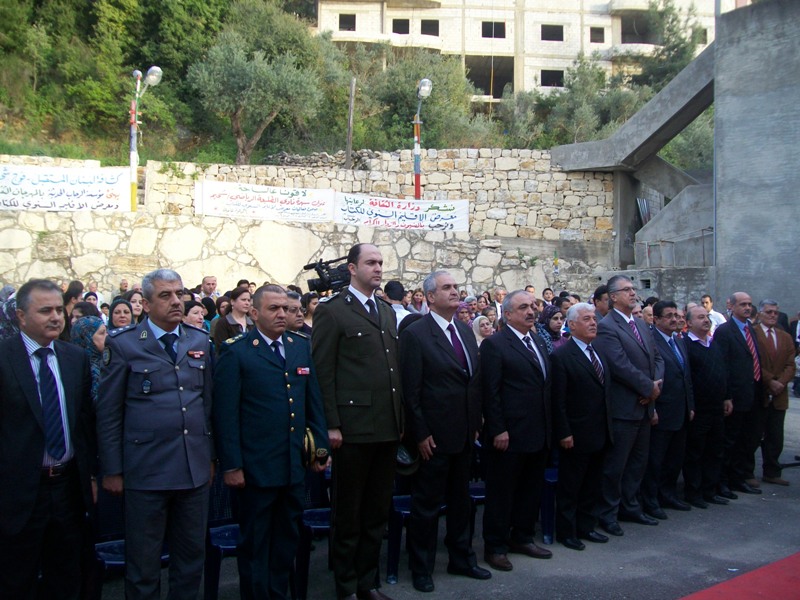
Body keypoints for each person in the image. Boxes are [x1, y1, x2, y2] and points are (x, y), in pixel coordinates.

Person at [97, 269, 215, 599]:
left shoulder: (199, 340)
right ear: (146, 305)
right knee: (143, 566)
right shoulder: (124, 344)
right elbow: (109, 412)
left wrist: (210, 456)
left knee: (190, 562)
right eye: (166, 295)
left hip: (192, 469)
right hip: (146, 471)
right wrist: (112, 469)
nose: (176, 301)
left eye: (179, 294)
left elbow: (207, 404)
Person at [213, 285, 329, 599]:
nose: (282, 314)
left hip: (292, 465)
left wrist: (319, 448)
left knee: (285, 541)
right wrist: (232, 465)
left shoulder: (298, 345)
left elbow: (312, 402)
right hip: (256, 469)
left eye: (286, 309)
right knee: (255, 545)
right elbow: (225, 414)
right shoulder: (237, 351)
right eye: (273, 308)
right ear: (254, 313)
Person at [311, 244, 403, 600]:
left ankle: (369, 582)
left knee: (376, 512)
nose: (378, 268)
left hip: (387, 427)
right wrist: (331, 424)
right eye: (370, 263)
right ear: (352, 268)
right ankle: (346, 586)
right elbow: (323, 371)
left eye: (380, 263)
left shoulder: (386, 311)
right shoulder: (333, 311)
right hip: (352, 428)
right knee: (348, 514)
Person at [0, 279, 95, 599]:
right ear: (20, 316)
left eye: (58, 310)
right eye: (45, 311)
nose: (55, 317)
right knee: (16, 580)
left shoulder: (75, 358)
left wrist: (91, 476)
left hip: (67, 489)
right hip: (18, 494)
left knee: (66, 578)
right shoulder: (4, 358)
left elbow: (84, 424)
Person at [399, 271, 490, 593]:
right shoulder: (416, 333)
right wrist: (420, 433)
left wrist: (476, 423)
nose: (454, 292)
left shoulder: (464, 330)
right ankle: (421, 567)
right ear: (430, 297)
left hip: (464, 434)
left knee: (461, 502)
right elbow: (410, 391)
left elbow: (472, 382)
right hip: (433, 438)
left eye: (456, 287)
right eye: (447, 287)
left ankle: (461, 558)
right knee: (426, 506)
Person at [480, 290, 552, 572]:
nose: (531, 311)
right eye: (523, 307)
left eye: (532, 306)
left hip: (538, 430)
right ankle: (495, 546)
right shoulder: (495, 345)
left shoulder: (537, 341)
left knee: (530, 490)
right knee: (502, 493)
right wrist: (498, 429)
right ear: (507, 314)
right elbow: (490, 392)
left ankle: (522, 537)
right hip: (508, 434)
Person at [593, 276, 664, 537]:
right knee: (616, 465)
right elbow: (619, 364)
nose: (633, 293)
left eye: (634, 289)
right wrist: (647, 388)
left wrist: (655, 386)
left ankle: (630, 506)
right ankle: (608, 513)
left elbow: (657, 358)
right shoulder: (607, 327)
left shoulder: (640, 324)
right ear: (613, 297)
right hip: (624, 407)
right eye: (627, 290)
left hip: (645, 404)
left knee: (638, 462)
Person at [551, 303, 613, 551]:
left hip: (600, 430)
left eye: (594, 319)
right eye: (586, 319)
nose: (593, 323)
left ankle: (586, 526)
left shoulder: (598, 351)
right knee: (571, 486)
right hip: (576, 433)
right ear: (572, 325)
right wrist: (564, 431)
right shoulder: (562, 356)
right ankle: (567, 532)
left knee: (592, 484)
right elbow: (558, 399)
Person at [641, 301, 695, 520]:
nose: (675, 319)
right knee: (656, 460)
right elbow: (649, 376)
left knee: (675, 458)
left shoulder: (678, 341)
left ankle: (668, 495)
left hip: (680, 410)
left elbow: (686, 376)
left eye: (676, 315)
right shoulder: (650, 341)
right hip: (661, 411)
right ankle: (651, 500)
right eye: (669, 316)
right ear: (656, 319)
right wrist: (652, 408)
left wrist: (690, 405)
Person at [712, 292, 763, 498]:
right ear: (731, 306)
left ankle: (738, 478)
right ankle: (722, 481)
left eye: (749, 304)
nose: (747, 308)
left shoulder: (750, 329)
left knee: (746, 440)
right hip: (735, 395)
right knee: (729, 441)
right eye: (743, 304)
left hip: (752, 394)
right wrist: (727, 395)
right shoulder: (725, 331)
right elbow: (722, 365)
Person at [683, 305, 732, 508]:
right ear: (689, 323)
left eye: (707, 317)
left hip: (717, 408)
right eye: (700, 317)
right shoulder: (686, 345)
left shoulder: (714, 343)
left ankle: (709, 490)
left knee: (715, 450)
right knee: (696, 452)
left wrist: (727, 397)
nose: (706, 320)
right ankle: (693, 492)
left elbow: (723, 372)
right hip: (699, 409)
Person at [752, 299, 795, 486]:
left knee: (775, 436)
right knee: (753, 435)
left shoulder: (785, 337)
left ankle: (772, 471)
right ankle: (747, 472)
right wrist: (770, 381)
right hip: (760, 392)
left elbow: (790, 364)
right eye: (768, 312)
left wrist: (781, 382)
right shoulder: (753, 333)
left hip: (779, 394)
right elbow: (753, 361)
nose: (772, 315)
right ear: (760, 314)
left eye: (775, 313)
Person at [70, 316, 106, 405]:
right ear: (87, 337)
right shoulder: (81, 369)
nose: (107, 336)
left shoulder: (106, 361)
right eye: (102, 333)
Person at [213, 286, 254, 352]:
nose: (247, 303)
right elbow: (221, 349)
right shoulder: (223, 323)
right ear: (232, 302)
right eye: (243, 300)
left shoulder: (252, 322)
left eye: (248, 300)